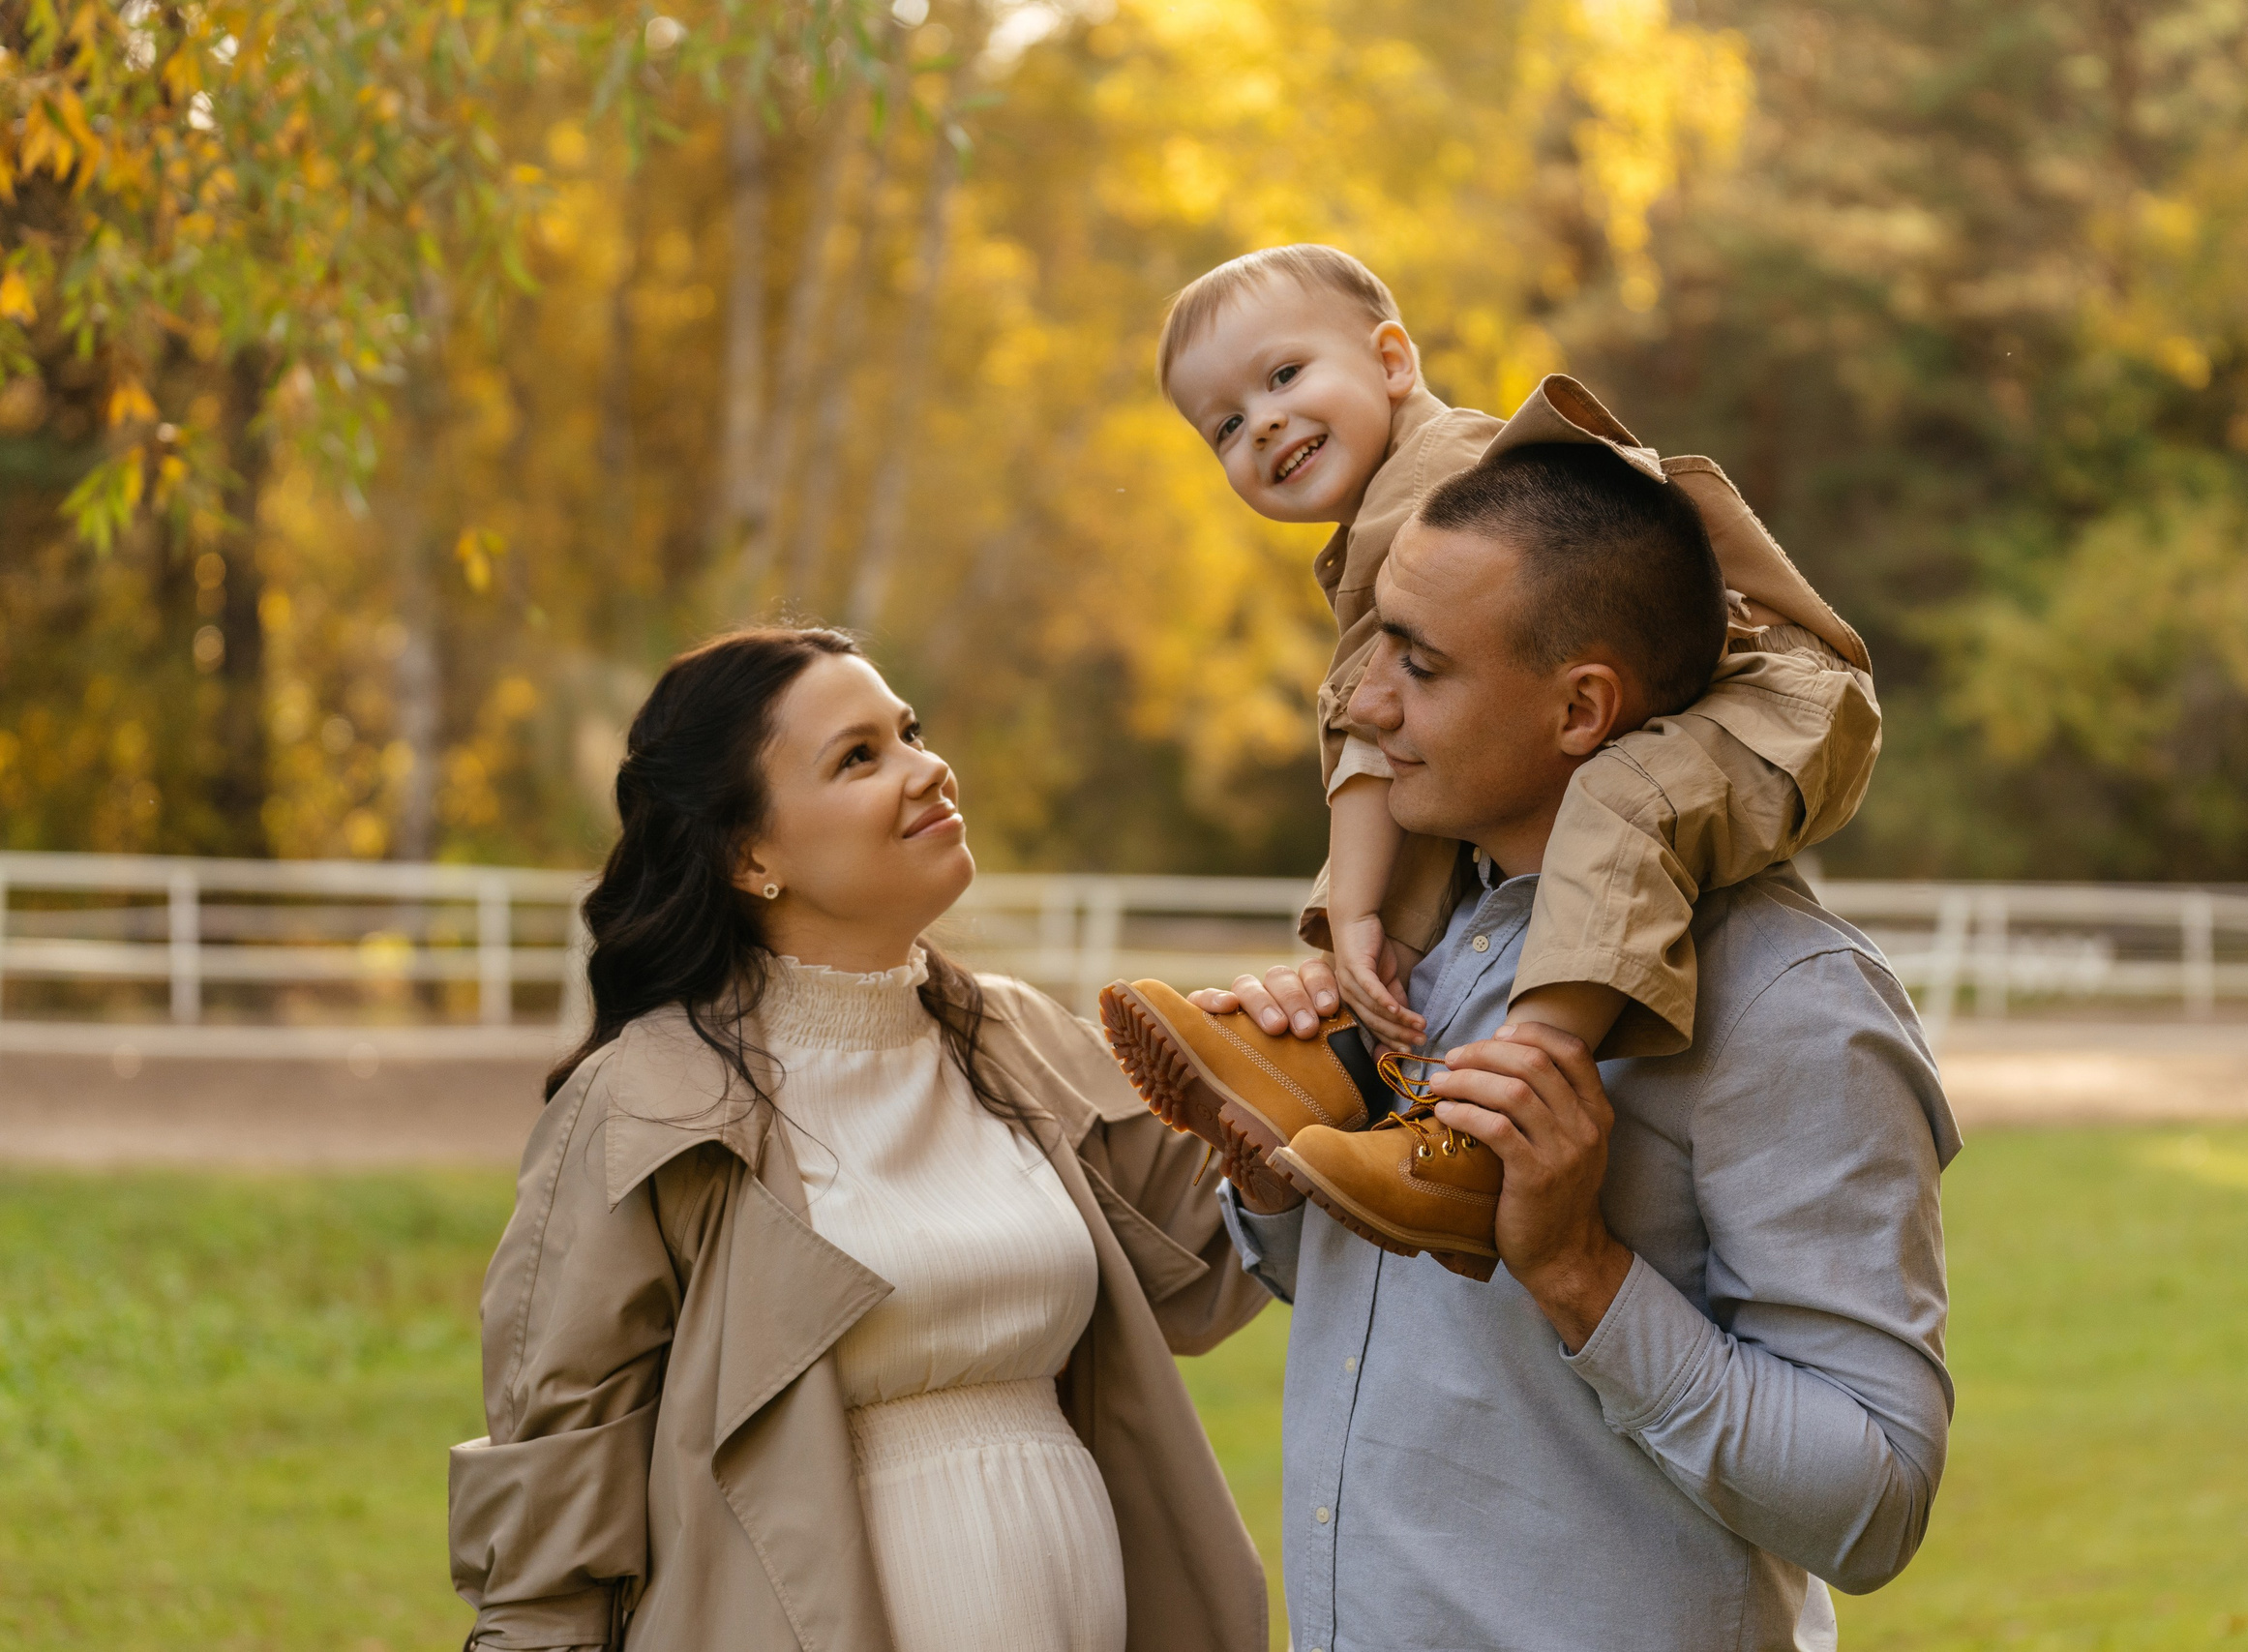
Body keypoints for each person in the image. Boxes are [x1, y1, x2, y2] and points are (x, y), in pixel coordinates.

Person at [1188, 438, 1963, 1649]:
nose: (1366, 702)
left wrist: (1576, 1269)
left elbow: (1873, 1503)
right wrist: (1272, 1167)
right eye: (1375, 640)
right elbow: (1411, 1332)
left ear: (1582, 708)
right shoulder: (1419, 943)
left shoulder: (1788, 1001)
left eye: (1422, 666)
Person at [446, 627, 1271, 1652]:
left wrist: (1309, 1065)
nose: (929, 770)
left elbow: (1206, 1255)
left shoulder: (1016, 1041)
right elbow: (556, 1483)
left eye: (910, 733)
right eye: (859, 757)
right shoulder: (648, 1103)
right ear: (751, 854)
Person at [1105, 245, 1881, 1273]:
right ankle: (1345, 1062)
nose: (1266, 424)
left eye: (1284, 376)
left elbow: (1362, 723)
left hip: (1778, 695)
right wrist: (1353, 926)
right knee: (1436, 799)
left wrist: (1349, 913)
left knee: (1619, 799)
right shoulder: (1386, 518)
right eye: (1227, 427)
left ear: (1391, 360)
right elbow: (1387, 728)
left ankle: (1489, 1123)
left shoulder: (1443, 476)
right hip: (1676, 687)